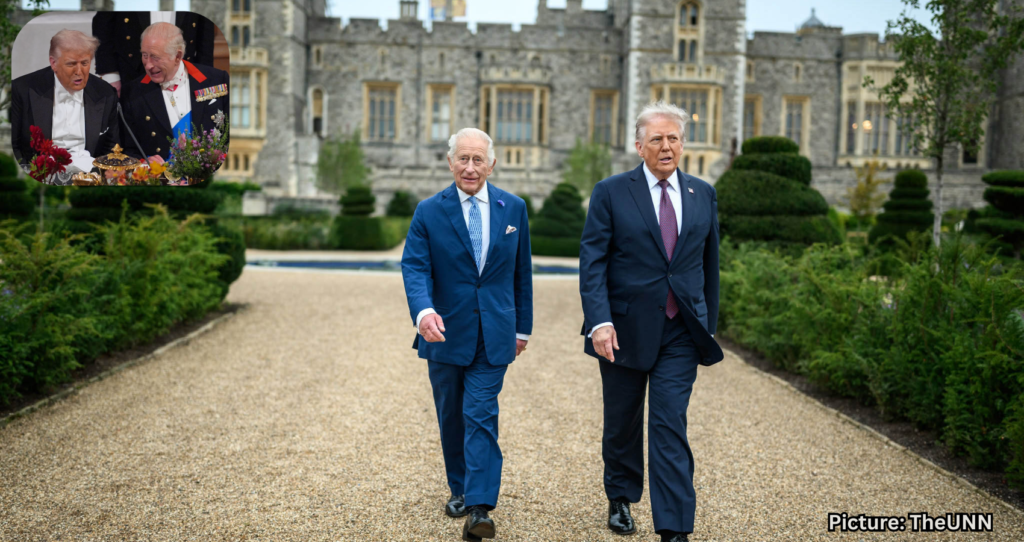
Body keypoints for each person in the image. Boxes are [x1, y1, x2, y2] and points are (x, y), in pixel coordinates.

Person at [578, 101, 724, 542]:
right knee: (622, 421)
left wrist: (708, 324)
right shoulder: (610, 191)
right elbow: (593, 262)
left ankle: (674, 527)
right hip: (620, 331)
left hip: (681, 331)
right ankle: (620, 498)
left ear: (684, 143)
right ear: (639, 145)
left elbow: (709, 265)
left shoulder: (703, 193)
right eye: (657, 139)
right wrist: (598, 321)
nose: (666, 146)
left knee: (668, 424)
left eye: (674, 138)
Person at [401, 127, 533, 541]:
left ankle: (479, 507)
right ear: (450, 162)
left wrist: (522, 326)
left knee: (481, 415)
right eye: (463, 159)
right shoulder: (428, 210)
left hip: (495, 332)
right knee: (452, 417)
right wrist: (423, 312)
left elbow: (521, 272)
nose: (470, 167)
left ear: (492, 164)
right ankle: (459, 487)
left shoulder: (513, 208)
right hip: (443, 332)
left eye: (478, 160)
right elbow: (415, 266)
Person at [9, 29, 120, 184]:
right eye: (71, 64)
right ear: (53, 63)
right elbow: (13, 146)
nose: (79, 72)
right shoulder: (22, 90)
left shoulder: (105, 93)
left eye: (85, 63)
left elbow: (112, 146)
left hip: (90, 178)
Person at [118, 22, 229, 162]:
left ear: (177, 56)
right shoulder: (133, 92)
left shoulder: (217, 80)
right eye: (144, 55)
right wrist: (145, 163)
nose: (148, 65)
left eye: (155, 57)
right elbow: (129, 150)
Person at [92, 11, 217, 98]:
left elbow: (205, 28)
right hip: (131, 74)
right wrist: (110, 75)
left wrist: (203, 76)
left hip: (184, 72)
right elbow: (103, 22)